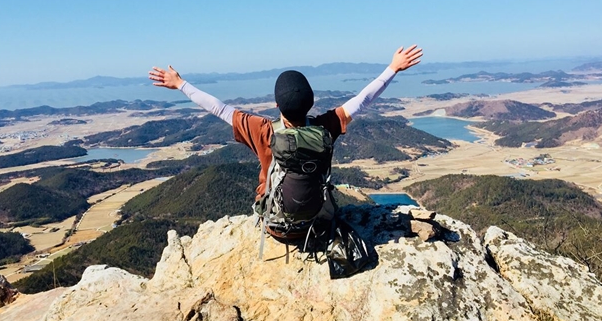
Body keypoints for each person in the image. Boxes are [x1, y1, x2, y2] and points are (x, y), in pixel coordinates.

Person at [148, 45, 423, 206]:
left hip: (275, 224)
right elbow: (362, 100)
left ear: (276, 106)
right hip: (316, 221)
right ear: (312, 102)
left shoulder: (262, 130)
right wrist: (392, 69)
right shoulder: (325, 127)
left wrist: (180, 84)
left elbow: (218, 108)